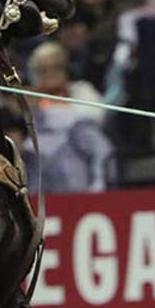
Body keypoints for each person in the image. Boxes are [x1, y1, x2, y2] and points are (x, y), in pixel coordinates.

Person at [22, 41, 114, 194]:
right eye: (44, 69)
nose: (51, 73)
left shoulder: (82, 91)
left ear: (66, 68)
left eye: (56, 67)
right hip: (39, 186)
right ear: (35, 73)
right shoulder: (27, 101)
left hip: (77, 182)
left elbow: (96, 120)